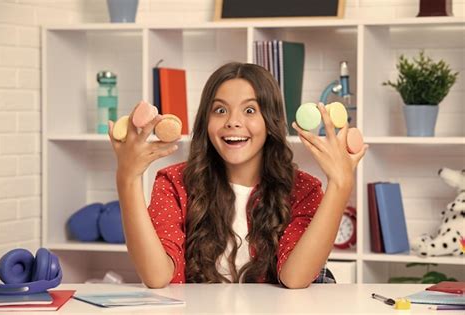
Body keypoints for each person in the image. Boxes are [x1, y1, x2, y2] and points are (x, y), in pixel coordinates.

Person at [108, 62, 367, 289]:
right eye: (220, 110)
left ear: (270, 122)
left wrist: (340, 185)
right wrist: (127, 179)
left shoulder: (303, 189)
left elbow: (296, 278)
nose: (232, 121)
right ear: (205, 121)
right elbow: (156, 276)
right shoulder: (174, 183)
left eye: (250, 110)